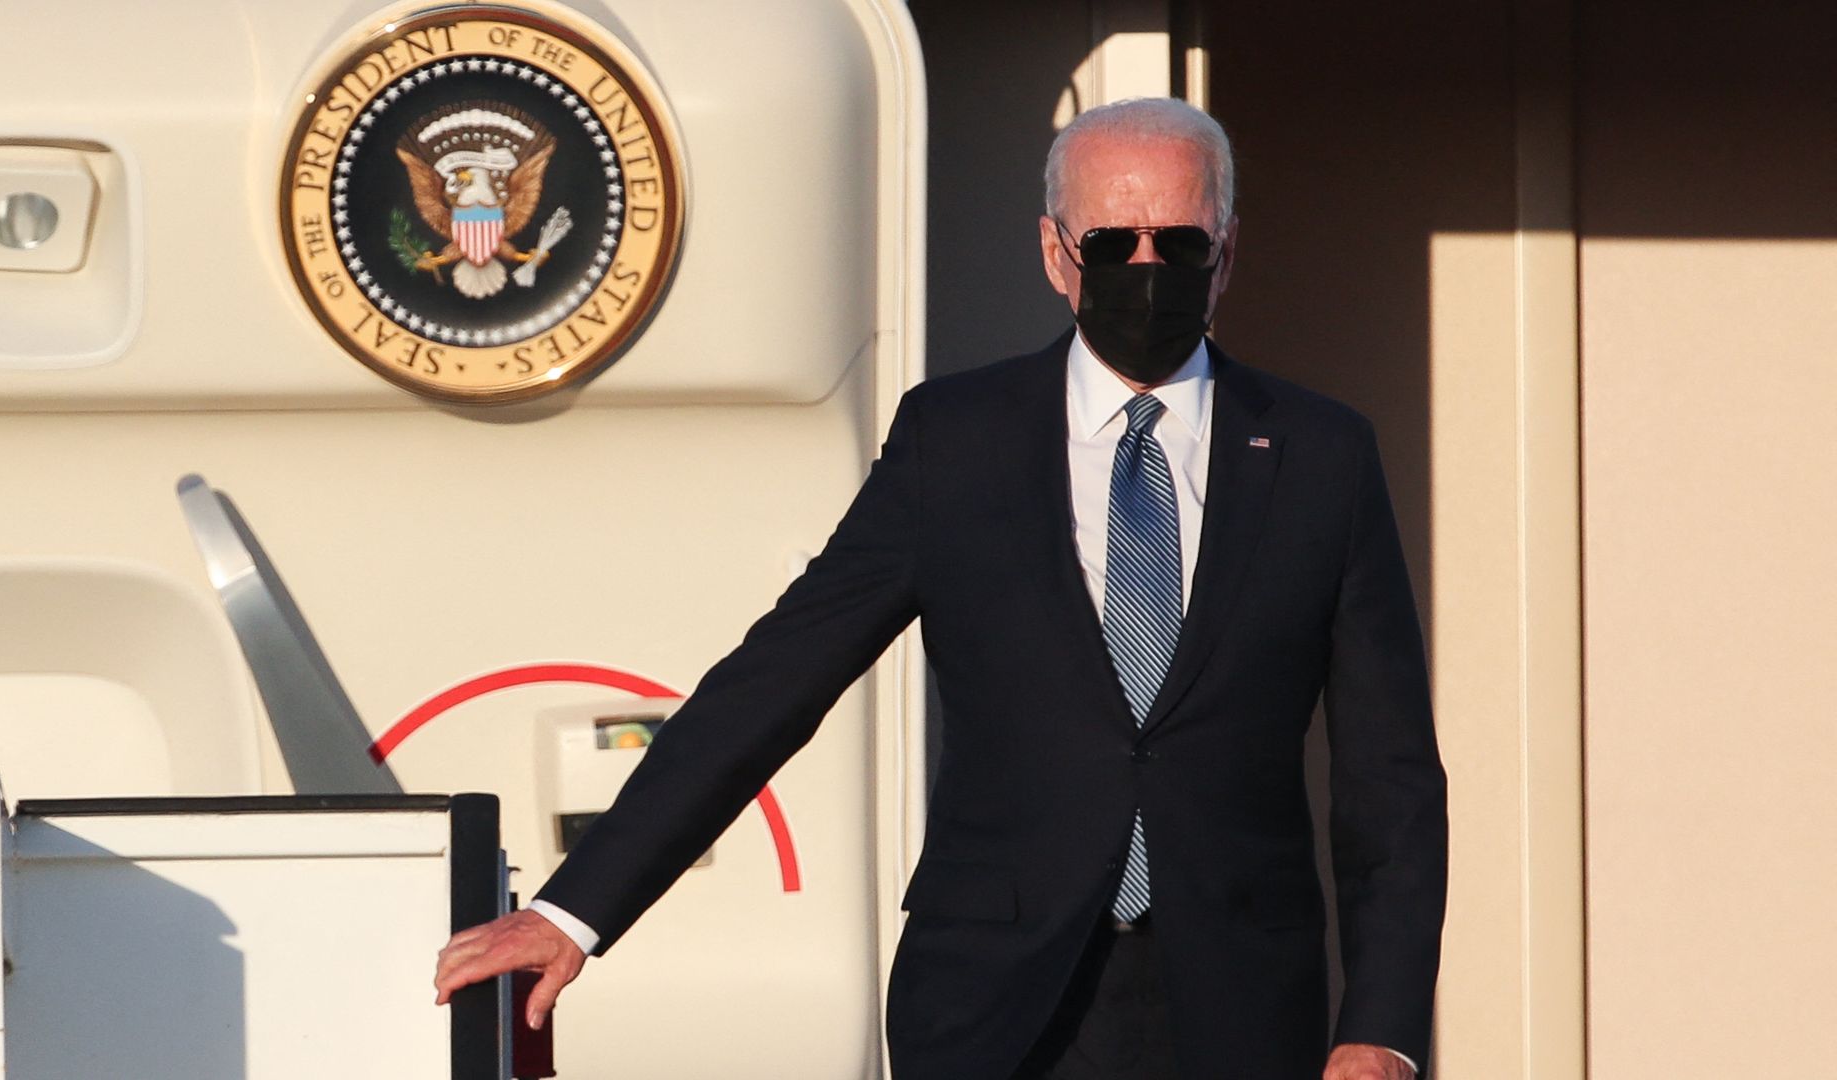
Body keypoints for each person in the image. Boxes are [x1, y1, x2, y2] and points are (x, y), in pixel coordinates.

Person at [434, 97, 1446, 1080]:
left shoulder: (1320, 455)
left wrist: (1384, 1030)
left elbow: (1390, 776)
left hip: (1242, 1004)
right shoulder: (957, 442)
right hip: (994, 1007)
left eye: (1179, 244)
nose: (1146, 270)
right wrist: (573, 911)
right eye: (1111, 245)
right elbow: (778, 678)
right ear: (1055, 254)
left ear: (1226, 252)